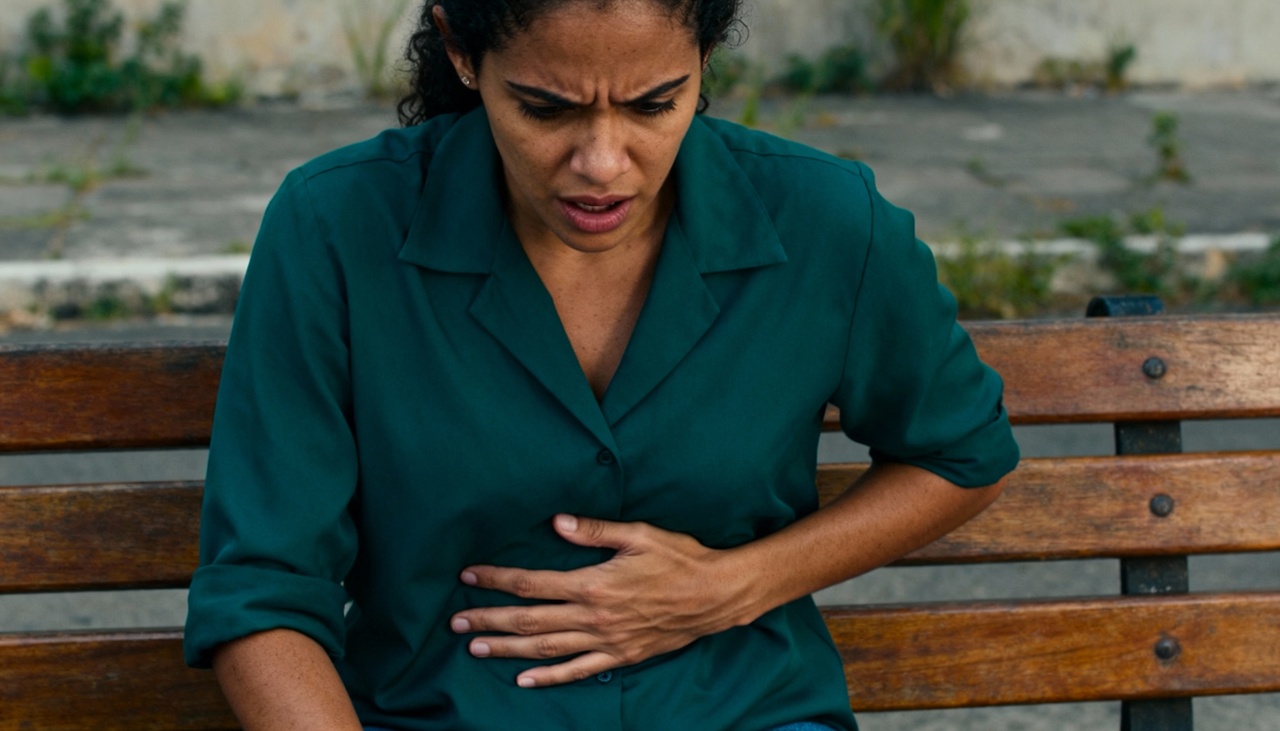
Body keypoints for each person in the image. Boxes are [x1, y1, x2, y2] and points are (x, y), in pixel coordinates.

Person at [183, 0, 1020, 729]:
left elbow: (958, 452)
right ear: (461, 51)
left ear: (706, 58)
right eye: (545, 110)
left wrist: (734, 584)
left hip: (743, 714)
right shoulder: (336, 226)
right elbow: (264, 583)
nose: (602, 164)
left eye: (655, 104)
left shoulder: (826, 221)